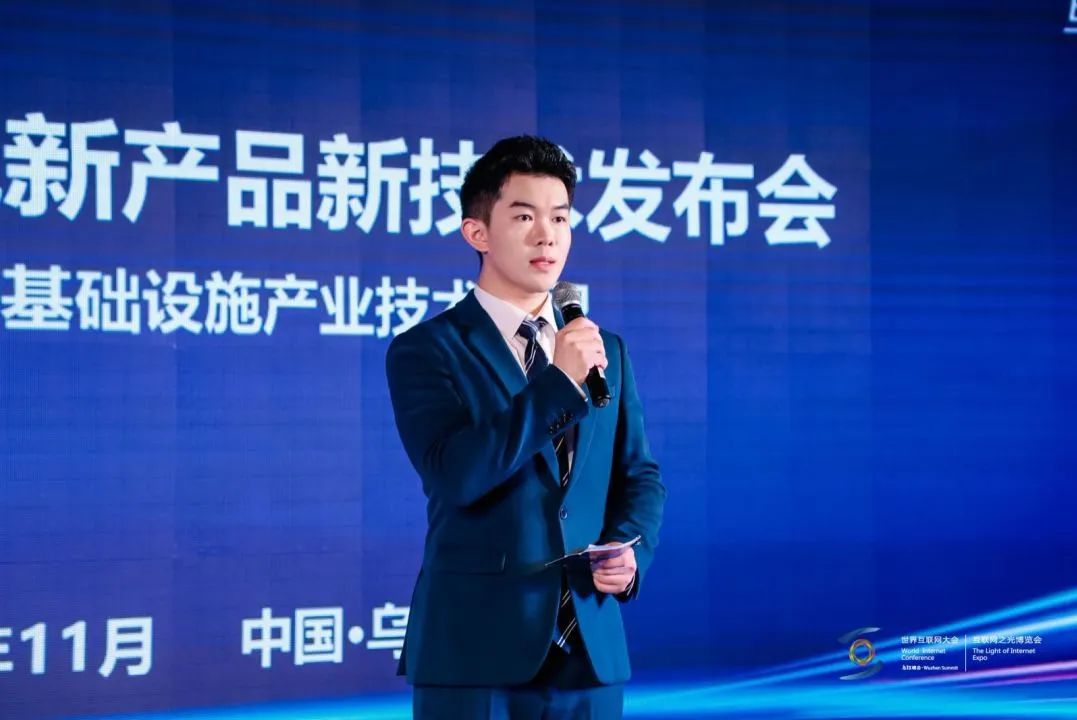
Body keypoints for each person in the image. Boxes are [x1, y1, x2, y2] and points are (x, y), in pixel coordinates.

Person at [385, 135, 665, 719]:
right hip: (474, 653)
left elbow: (638, 475)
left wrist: (631, 552)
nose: (548, 235)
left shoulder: (604, 349)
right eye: (524, 217)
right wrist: (559, 383)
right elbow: (458, 474)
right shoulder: (427, 350)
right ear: (477, 233)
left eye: (560, 217)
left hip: (589, 650)